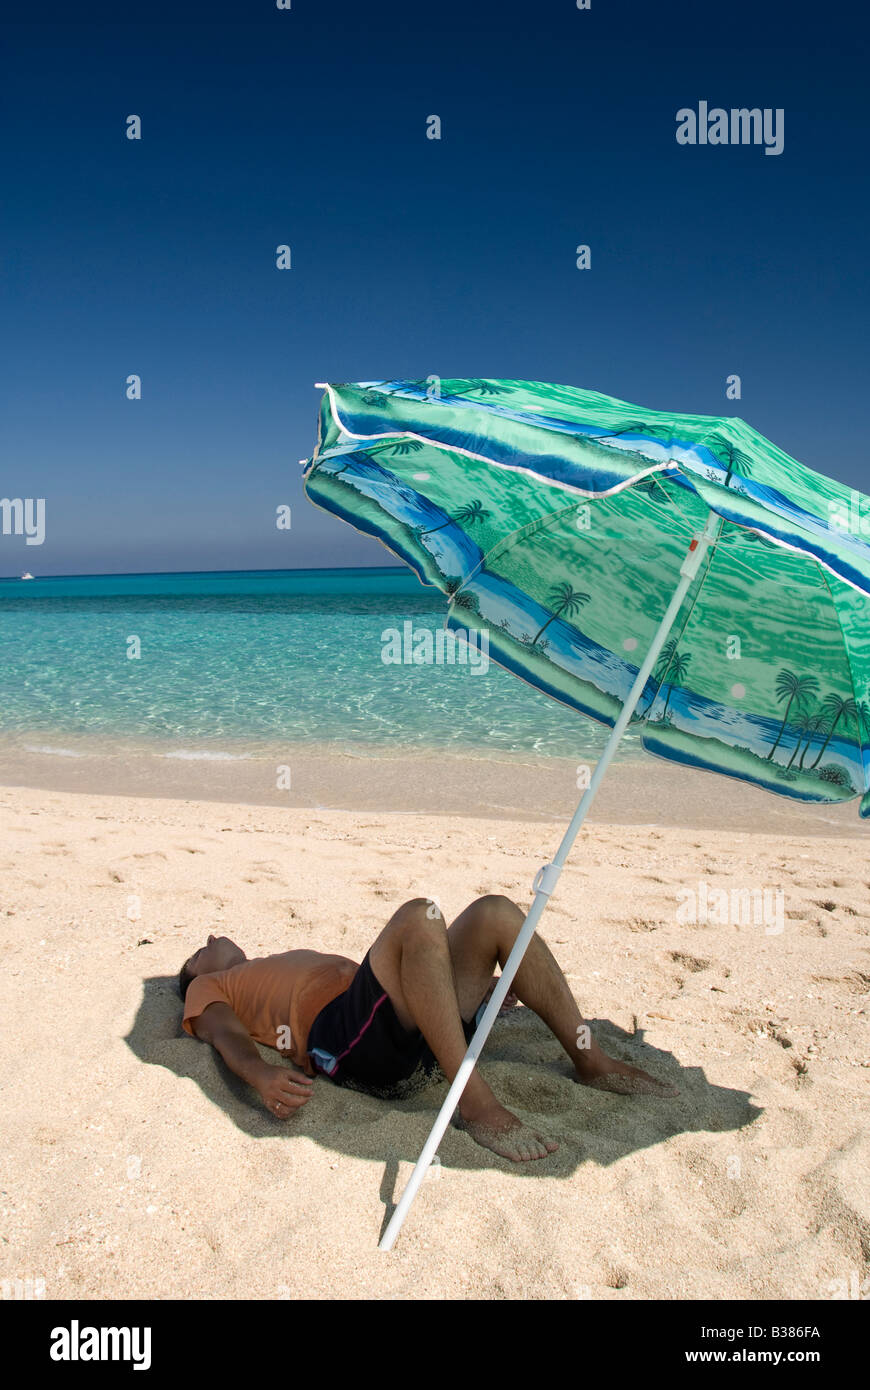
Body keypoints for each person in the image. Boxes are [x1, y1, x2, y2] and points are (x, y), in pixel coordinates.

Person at [179, 894, 677, 1163]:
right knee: (421, 916)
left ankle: (591, 1060)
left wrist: (463, 992)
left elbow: (388, 980)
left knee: (495, 913)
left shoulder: (269, 962)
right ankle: (476, 1103)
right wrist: (259, 1076)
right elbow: (227, 1037)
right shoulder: (214, 985)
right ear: (198, 973)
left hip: (398, 1026)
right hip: (347, 1046)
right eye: (198, 952)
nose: (209, 938)